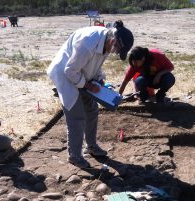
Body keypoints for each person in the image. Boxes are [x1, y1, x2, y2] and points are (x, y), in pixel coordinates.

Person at [47, 20, 134, 168]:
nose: (114, 53)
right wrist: (86, 84)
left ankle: (91, 146)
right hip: (65, 73)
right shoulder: (88, 44)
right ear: (113, 41)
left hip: (80, 73)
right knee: (77, 117)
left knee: (92, 110)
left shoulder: (107, 42)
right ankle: (74, 155)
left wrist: (98, 79)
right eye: (116, 49)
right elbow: (70, 70)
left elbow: (96, 64)